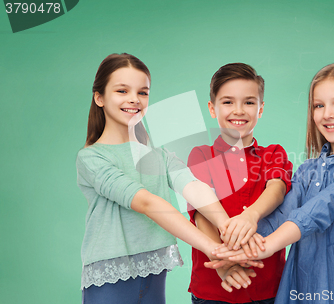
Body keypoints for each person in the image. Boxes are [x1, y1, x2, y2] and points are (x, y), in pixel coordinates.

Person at [212, 62, 334, 304]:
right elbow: (281, 216)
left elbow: (323, 206)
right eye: (318, 106)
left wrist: (266, 247)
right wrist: (235, 245)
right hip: (303, 281)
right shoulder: (307, 169)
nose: (327, 114)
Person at [76, 53, 235, 304]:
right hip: (110, 282)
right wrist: (212, 248)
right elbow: (148, 204)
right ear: (99, 98)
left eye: (143, 92)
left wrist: (228, 228)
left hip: (153, 274)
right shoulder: (92, 158)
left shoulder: (157, 154)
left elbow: (193, 186)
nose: (134, 99)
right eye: (121, 90)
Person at [187, 63, 293, 303]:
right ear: (212, 109)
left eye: (249, 102)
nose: (239, 110)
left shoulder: (274, 153)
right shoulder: (201, 155)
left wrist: (250, 216)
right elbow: (201, 212)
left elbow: (276, 188)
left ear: (261, 108)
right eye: (227, 102)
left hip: (269, 286)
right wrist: (222, 264)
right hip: (213, 287)